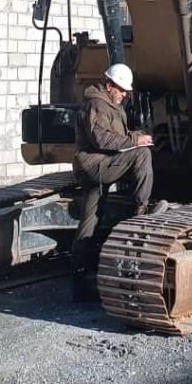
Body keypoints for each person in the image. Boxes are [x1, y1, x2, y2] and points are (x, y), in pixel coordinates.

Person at [70, 63, 167, 300]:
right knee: (142, 154)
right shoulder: (97, 105)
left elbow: (114, 136)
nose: (124, 94)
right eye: (121, 89)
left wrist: (135, 136)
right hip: (95, 166)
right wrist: (136, 142)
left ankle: (80, 280)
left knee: (90, 220)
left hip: (96, 166)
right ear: (110, 85)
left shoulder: (108, 104)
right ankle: (141, 210)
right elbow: (102, 139)